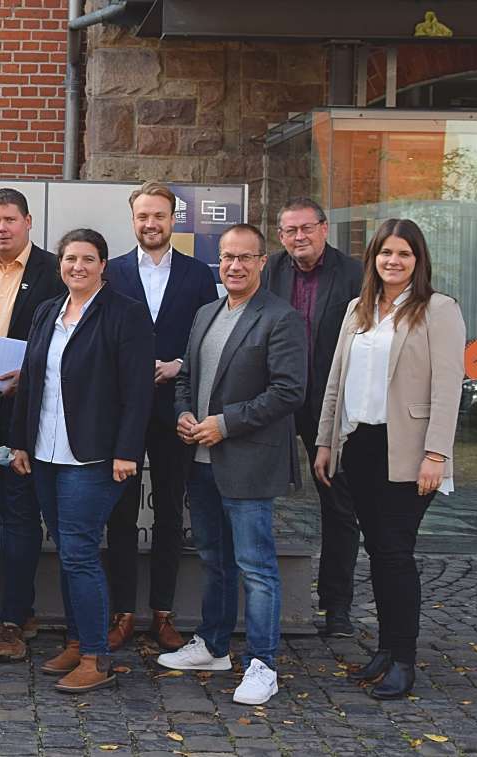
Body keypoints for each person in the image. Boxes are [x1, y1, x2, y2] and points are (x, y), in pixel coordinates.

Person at [314, 218, 465, 700]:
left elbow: (448, 388)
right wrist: (325, 442)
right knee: (378, 551)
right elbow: (336, 381)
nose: (393, 261)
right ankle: (385, 649)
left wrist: (436, 454)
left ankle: (403, 660)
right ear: (373, 258)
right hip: (359, 445)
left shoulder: (438, 310)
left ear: (418, 260)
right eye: (385, 253)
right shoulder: (358, 309)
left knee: (396, 552)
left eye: (403, 253)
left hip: (410, 449)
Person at [158, 223, 306, 707]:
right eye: (227, 257)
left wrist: (226, 423)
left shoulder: (280, 318)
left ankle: (263, 664)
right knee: (213, 560)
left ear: (262, 262)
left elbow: (288, 391)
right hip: (201, 459)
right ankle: (214, 646)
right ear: (217, 262)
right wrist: (183, 413)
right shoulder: (206, 313)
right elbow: (187, 376)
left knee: (256, 568)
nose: (235, 266)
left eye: (245, 257)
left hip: (247, 461)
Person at [9, 229, 154, 692]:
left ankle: (95, 656)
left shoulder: (126, 313)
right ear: (60, 265)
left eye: (88, 259)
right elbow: (31, 380)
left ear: (103, 265)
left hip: (95, 457)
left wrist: (128, 451)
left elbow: (138, 391)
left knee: (78, 552)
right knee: (68, 551)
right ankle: (76, 642)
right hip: (46, 453)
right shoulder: (48, 311)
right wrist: (20, 442)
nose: (78, 266)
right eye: (71, 258)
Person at [102, 181, 218, 652]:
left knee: (170, 511)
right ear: (133, 219)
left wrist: (179, 365)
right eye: (143, 216)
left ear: (174, 219)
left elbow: (209, 338)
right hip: (122, 411)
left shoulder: (197, 275)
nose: (150, 224)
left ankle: (163, 613)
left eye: (159, 216)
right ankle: (123, 612)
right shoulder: (111, 271)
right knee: (121, 514)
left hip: (176, 409)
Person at [0, 188, 65, 661]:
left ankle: (13, 621)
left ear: (28, 222)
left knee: (20, 513)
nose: (1, 228)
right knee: (5, 509)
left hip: (27, 412)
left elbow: (65, 336)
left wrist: (30, 373)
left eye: (9, 220)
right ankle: (20, 612)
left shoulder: (53, 270)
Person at [262, 197, 363, 638]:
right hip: (276, 399)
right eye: (290, 230)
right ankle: (258, 599)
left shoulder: (355, 274)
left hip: (330, 403)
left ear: (324, 228)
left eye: (306, 228)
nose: (298, 237)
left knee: (338, 503)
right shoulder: (269, 270)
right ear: (280, 236)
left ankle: (337, 607)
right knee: (256, 494)